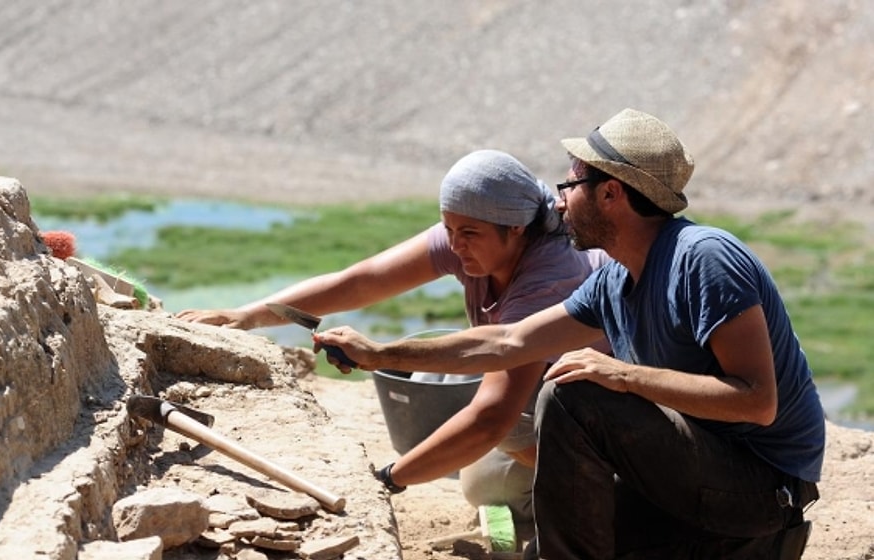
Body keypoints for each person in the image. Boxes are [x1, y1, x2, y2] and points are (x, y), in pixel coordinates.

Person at [315, 109, 825, 559]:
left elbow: (757, 401)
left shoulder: (704, 258)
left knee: (570, 393)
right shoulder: (615, 277)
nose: (559, 205)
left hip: (762, 488)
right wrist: (380, 353)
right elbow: (508, 343)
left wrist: (624, 376)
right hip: (691, 476)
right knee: (549, 545)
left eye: (569, 187)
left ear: (610, 193)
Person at [177, 149, 610, 521]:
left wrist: (387, 479)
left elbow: (491, 416)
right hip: (544, 384)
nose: (454, 246)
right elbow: (361, 282)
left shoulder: (549, 279)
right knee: (484, 485)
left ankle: (608, 487)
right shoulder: (474, 234)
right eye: (448, 230)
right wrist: (248, 315)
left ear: (515, 227)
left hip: (601, 405)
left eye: (467, 234)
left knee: (504, 426)